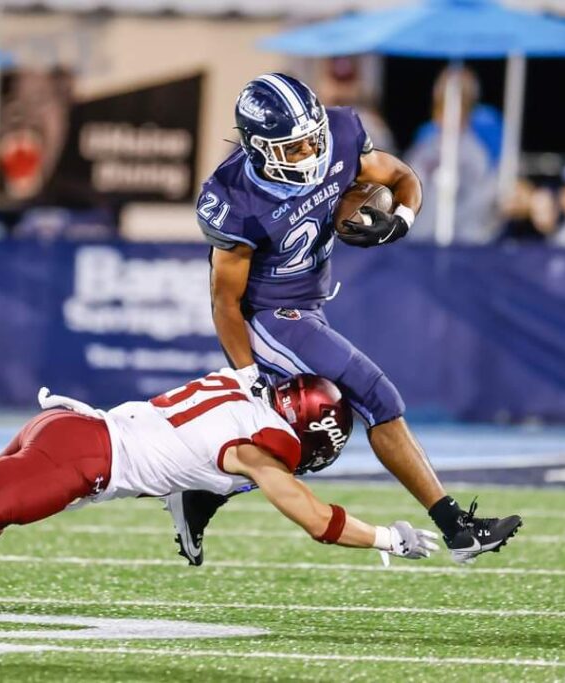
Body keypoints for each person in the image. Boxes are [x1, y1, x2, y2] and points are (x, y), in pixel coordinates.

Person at [166, 72, 522, 567]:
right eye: (293, 148)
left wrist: (402, 219)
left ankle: (201, 493)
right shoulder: (234, 197)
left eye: (312, 140)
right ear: (258, 148)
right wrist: (247, 376)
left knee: (310, 432)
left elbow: (402, 178)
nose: (310, 154)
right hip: (268, 315)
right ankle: (455, 527)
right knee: (375, 396)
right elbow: (226, 301)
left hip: (308, 305)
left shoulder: (341, 135)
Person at [0, 373, 440, 583]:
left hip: (72, 431)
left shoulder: (245, 385)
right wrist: (391, 535)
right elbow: (315, 519)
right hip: (81, 457)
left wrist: (190, 514)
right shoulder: (260, 449)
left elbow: (194, 475)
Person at [404, 67, 499, 244]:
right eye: (441, 106)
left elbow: (482, 206)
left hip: (461, 249)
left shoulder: (476, 154)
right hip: (418, 246)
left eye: (458, 105)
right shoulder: (424, 147)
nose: (445, 115)